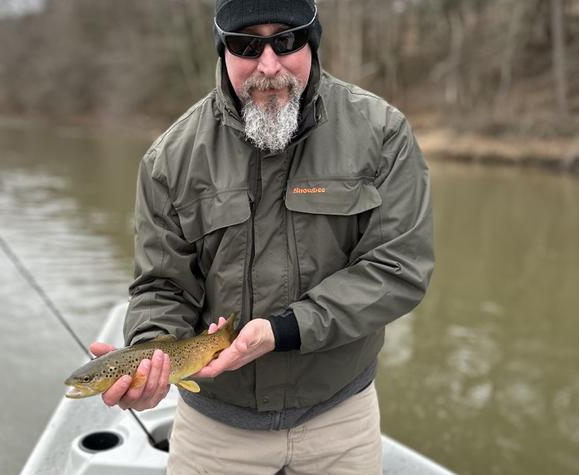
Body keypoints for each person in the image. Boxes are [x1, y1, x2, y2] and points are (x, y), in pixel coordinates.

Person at [89, 0, 434, 473]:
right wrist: (152, 353)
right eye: (247, 44)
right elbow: (161, 285)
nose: (268, 65)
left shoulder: (384, 134)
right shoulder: (168, 159)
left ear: (311, 41)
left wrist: (285, 330)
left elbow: (398, 269)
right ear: (223, 50)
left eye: (286, 40)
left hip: (341, 417)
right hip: (214, 429)